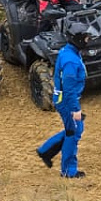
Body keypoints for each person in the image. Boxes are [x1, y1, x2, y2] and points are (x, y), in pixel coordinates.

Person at [36, 17, 90, 178]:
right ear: (78, 39)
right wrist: (75, 110)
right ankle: (68, 171)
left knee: (73, 130)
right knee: (73, 133)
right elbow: (69, 90)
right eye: (86, 37)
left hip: (63, 99)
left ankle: (46, 150)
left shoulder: (67, 51)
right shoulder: (71, 62)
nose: (88, 40)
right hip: (67, 101)